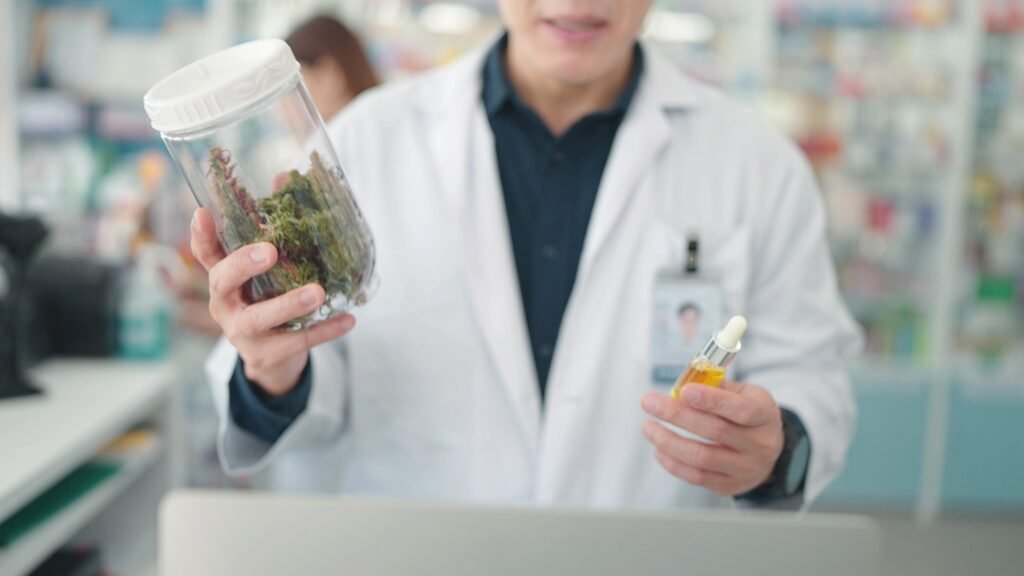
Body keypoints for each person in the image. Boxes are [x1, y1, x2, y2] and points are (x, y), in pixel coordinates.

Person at [194, 0, 861, 509]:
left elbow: (812, 375)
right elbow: (306, 377)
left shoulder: (755, 164)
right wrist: (271, 368)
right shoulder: (367, 141)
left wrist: (776, 449)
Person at [164, 14, 379, 338]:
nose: (282, 110)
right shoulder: (315, 156)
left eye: (294, 87)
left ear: (330, 74)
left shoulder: (350, 147)